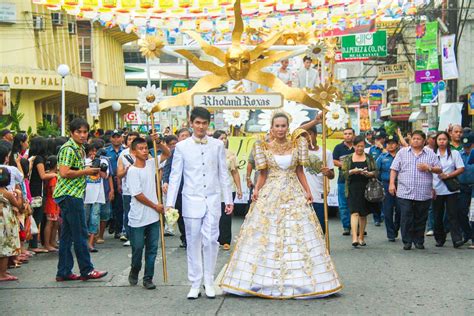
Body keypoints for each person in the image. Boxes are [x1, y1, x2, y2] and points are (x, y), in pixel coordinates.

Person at [220, 112, 342, 299]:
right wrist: (257, 191)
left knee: (297, 232)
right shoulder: (263, 146)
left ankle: (299, 279)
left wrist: (307, 190)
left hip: (294, 193)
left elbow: (300, 171)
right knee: (266, 233)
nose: (280, 129)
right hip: (271, 193)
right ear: (271, 127)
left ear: (288, 127)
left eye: (283, 126)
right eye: (277, 126)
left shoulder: (297, 144)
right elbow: (263, 174)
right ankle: (262, 278)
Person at [166, 107, 233, 299]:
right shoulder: (181, 147)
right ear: (191, 122)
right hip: (190, 200)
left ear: (209, 124)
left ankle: (209, 280)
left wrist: (228, 198)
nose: (201, 126)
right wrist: (170, 203)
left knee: (212, 240)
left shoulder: (217, 146)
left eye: (204, 123)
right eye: (198, 123)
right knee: (193, 241)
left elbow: (223, 173)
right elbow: (175, 176)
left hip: (212, 199)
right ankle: (195, 283)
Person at [53, 118, 107, 281]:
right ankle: (87, 270)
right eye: (79, 132)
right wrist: (87, 172)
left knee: (67, 236)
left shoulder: (79, 148)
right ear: (72, 133)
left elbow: (72, 170)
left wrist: (87, 169)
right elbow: (64, 172)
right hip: (70, 195)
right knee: (80, 234)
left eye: (85, 132)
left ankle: (63, 271)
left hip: (72, 194)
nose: (83, 135)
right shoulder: (69, 148)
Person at [389, 130, 442, 250]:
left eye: (419, 139)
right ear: (410, 140)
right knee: (406, 216)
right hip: (404, 191)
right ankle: (407, 241)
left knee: (421, 217)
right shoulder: (402, 152)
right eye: (414, 138)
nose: (416, 140)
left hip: (423, 192)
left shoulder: (430, 153)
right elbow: (394, 169)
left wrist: (428, 168)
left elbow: (439, 169)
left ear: (424, 141)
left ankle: (419, 241)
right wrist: (392, 184)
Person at [127, 136, 166, 290]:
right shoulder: (132, 171)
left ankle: (148, 278)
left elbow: (167, 154)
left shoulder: (151, 164)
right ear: (133, 152)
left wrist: (159, 142)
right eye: (140, 149)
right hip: (138, 216)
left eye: (145, 148)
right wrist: (155, 205)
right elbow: (138, 194)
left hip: (153, 217)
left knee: (152, 249)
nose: (144, 151)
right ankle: (134, 269)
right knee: (137, 248)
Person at [343, 136, 378, 247]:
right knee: (354, 213)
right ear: (354, 146)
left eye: (362, 146)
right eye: (357, 146)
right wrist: (352, 171)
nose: (359, 148)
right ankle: (354, 238)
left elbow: (376, 172)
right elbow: (343, 174)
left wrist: (369, 173)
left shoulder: (369, 158)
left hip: (366, 188)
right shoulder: (348, 158)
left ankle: (361, 237)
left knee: (363, 214)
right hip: (352, 188)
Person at [432, 132, 465, 248]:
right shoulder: (431, 154)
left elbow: (461, 168)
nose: (442, 141)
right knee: (437, 215)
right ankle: (440, 238)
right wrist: (430, 188)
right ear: (436, 141)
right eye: (439, 139)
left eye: (444, 139)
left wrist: (448, 175)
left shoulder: (454, 153)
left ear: (448, 140)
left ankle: (456, 239)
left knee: (453, 214)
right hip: (436, 188)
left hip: (451, 188)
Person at [301, 119, 334, 233]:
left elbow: (332, 175)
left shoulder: (326, 152)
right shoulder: (297, 152)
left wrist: (328, 173)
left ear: (315, 134)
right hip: (301, 197)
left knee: (320, 229)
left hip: (318, 196)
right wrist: (315, 121)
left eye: (309, 134)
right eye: (303, 135)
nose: (306, 137)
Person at [162, 128, 192, 249]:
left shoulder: (196, 150)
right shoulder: (175, 151)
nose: (185, 138)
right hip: (179, 189)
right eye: (182, 136)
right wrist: (165, 181)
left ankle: (194, 238)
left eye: (187, 135)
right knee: (181, 215)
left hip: (193, 189)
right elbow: (168, 168)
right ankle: (185, 238)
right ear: (178, 138)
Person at [212, 130, 242, 251]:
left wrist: (239, 188)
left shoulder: (230, 154)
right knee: (214, 214)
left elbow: (235, 172)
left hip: (228, 188)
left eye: (224, 138)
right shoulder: (209, 153)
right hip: (213, 188)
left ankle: (225, 240)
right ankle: (214, 239)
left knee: (226, 215)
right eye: (220, 138)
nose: (223, 140)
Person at [28, 137, 56, 253]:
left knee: (36, 218)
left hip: (33, 190)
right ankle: (34, 244)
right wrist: (56, 174)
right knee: (37, 218)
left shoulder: (33, 158)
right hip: (38, 191)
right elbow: (43, 175)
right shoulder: (39, 159)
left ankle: (34, 243)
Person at [84, 141, 109, 252]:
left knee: (95, 218)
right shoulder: (83, 161)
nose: (93, 153)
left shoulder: (103, 161)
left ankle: (91, 243)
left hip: (98, 195)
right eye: (91, 151)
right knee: (84, 218)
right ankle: (83, 242)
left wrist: (98, 166)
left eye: (95, 151)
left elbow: (105, 176)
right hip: (84, 194)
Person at [116, 131, 140, 246]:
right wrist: (126, 170)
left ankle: (141, 236)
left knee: (140, 213)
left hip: (142, 190)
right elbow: (119, 174)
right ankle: (130, 236)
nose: (132, 141)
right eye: (129, 139)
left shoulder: (144, 152)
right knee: (129, 213)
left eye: (134, 139)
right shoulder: (123, 154)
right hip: (127, 190)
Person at [376, 135, 400, 242]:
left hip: (401, 185)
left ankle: (396, 227)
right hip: (386, 185)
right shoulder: (382, 157)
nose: (390, 145)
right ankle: (390, 233)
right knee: (388, 210)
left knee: (400, 210)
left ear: (397, 144)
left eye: (393, 143)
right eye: (388, 143)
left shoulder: (401, 156)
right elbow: (377, 171)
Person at [0, 168, 22, 282]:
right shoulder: (7, 193)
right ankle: (2, 273)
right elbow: (18, 205)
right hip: (5, 223)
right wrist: (19, 194)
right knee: (5, 248)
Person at [333, 128, 355, 235]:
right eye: (345, 134)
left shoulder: (358, 147)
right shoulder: (338, 148)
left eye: (350, 134)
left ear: (353, 135)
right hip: (342, 179)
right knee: (343, 204)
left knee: (356, 203)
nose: (347, 136)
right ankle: (346, 226)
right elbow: (334, 161)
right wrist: (344, 165)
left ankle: (358, 226)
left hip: (357, 179)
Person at [105, 129, 125, 239]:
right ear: (110, 138)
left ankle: (118, 229)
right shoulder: (106, 151)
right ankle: (111, 222)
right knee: (109, 204)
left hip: (121, 179)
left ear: (122, 138)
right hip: (109, 180)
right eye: (114, 137)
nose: (116, 139)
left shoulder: (125, 151)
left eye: (118, 137)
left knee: (119, 205)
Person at [458, 133, 474, 246]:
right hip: (462, 187)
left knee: (473, 214)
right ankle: (467, 233)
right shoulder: (458, 154)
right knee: (460, 211)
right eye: (464, 146)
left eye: (469, 146)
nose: (466, 148)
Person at [43, 155, 60, 251]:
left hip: (54, 203)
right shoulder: (53, 177)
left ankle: (52, 241)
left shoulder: (50, 174)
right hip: (52, 203)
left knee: (55, 223)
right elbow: (54, 192)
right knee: (50, 223)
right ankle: (47, 243)